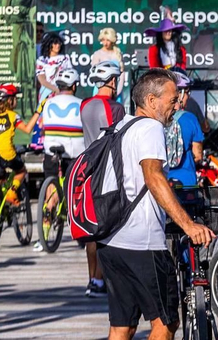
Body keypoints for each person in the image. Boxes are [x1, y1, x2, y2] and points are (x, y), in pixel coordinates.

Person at [97, 68, 214, 340]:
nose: (177, 106)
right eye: (172, 100)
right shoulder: (151, 128)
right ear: (151, 101)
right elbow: (153, 176)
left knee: (122, 327)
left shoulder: (119, 127)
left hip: (111, 241)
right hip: (143, 243)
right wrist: (189, 225)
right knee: (165, 323)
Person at [76, 60, 125, 297]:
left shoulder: (85, 104)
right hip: (108, 173)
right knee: (107, 227)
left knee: (92, 230)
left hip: (87, 170)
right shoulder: (116, 108)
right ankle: (101, 279)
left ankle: (92, 279)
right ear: (113, 81)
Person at [165, 72, 205, 187]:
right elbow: (198, 155)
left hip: (163, 181)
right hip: (186, 181)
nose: (189, 97)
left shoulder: (157, 119)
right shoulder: (190, 119)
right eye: (187, 93)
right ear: (180, 94)